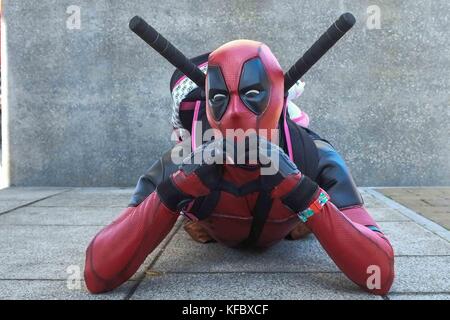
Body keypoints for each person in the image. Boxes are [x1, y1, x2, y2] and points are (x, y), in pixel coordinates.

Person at [84, 39, 394, 296]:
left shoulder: (314, 157)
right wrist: (175, 191)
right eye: (219, 97)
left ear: (279, 96)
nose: (233, 114)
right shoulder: (181, 161)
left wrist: (302, 193)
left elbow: (379, 273)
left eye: (252, 94)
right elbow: (97, 273)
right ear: (206, 102)